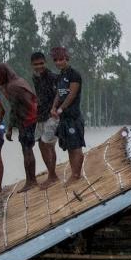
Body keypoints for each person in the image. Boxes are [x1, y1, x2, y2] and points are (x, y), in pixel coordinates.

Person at [0, 62, 39, 192]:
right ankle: (31, 180)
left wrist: (10, 128)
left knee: (26, 150)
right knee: (28, 149)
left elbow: (14, 108)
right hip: (33, 117)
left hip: (27, 120)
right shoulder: (20, 81)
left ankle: (31, 181)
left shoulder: (12, 87)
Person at [46, 46, 85, 186]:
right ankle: (74, 173)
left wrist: (61, 109)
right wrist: (53, 107)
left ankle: (76, 175)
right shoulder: (60, 76)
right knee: (69, 146)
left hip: (73, 116)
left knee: (76, 147)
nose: (58, 62)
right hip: (64, 118)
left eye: (61, 59)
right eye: (55, 60)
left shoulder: (74, 75)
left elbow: (71, 95)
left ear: (66, 59)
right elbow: (59, 93)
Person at [29, 51, 60, 187]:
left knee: (48, 144)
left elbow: (60, 94)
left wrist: (56, 110)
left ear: (45, 63)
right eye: (36, 64)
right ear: (32, 65)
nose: (39, 66)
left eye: (41, 63)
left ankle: (53, 176)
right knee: (41, 145)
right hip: (40, 115)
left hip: (52, 115)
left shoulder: (53, 77)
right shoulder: (35, 78)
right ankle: (50, 173)